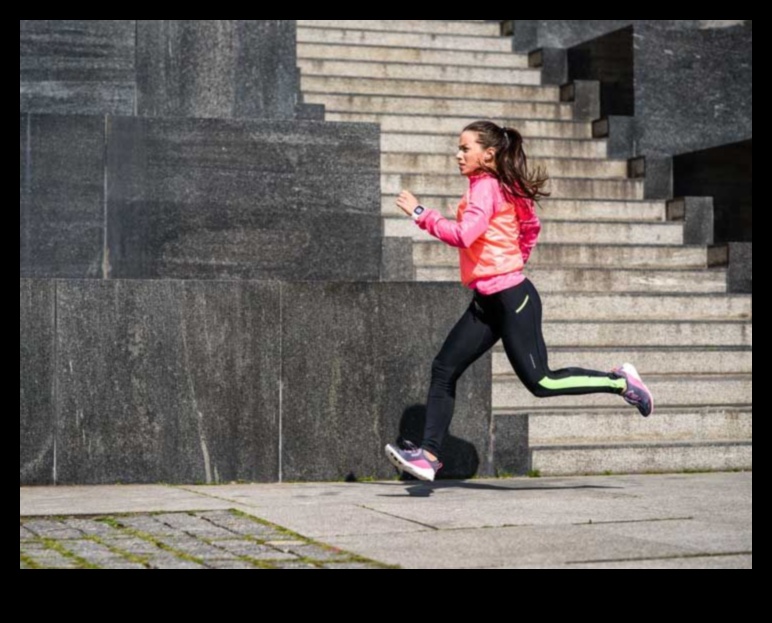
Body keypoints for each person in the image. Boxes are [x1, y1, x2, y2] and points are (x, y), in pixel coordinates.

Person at [385, 121, 654, 482]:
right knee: (444, 369)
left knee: (542, 382)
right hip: (487, 301)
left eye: (465, 148)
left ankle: (620, 382)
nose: (458, 155)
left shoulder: (487, 188)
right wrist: (513, 259)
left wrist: (421, 214)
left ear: (488, 154)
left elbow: (465, 235)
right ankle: (428, 456)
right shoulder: (497, 188)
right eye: (459, 148)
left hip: (512, 300)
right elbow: (530, 227)